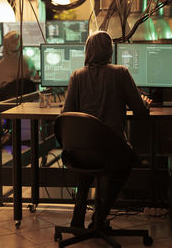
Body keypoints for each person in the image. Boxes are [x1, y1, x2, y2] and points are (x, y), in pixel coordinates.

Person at [62, 31, 151, 229]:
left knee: (86, 156)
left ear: (87, 51)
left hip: (81, 154)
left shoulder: (76, 76)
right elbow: (140, 111)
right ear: (110, 51)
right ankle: (99, 218)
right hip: (111, 153)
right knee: (126, 164)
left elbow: (66, 114)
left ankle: (78, 216)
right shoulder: (121, 73)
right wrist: (144, 102)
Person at [0, 30, 37, 147]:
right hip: (25, 100)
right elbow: (34, 78)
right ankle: (8, 132)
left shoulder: (0, 66)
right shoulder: (28, 61)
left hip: (5, 101)